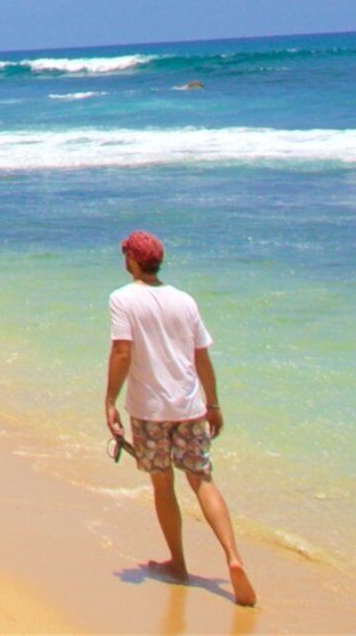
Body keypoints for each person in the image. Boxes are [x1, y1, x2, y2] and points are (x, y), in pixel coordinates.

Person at [103, 228, 257, 608]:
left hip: (150, 411)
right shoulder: (184, 300)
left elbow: (123, 351)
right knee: (202, 479)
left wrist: (109, 399)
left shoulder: (122, 299)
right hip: (189, 407)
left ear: (135, 261)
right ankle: (232, 557)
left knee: (163, 485)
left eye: (127, 256)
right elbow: (201, 356)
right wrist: (214, 404)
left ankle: (179, 562)